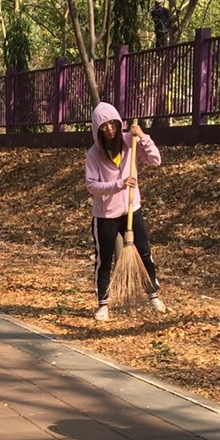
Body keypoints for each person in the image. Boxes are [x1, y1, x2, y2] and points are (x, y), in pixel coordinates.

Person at [85, 102, 166, 321]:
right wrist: (119, 184)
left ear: (118, 123)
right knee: (104, 260)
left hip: (131, 209)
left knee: (144, 252)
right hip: (105, 215)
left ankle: (153, 295)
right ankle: (103, 304)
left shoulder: (131, 142)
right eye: (104, 126)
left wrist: (143, 137)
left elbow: (155, 160)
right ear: (98, 130)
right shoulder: (94, 154)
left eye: (112, 124)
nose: (109, 129)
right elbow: (91, 185)